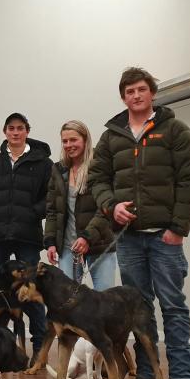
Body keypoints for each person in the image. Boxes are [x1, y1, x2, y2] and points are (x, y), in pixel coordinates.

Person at [88, 66, 190, 379]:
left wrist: (178, 229)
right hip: (129, 238)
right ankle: (148, 378)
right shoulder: (112, 137)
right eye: (129, 92)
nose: (135, 96)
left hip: (165, 238)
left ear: (151, 92)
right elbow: (98, 180)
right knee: (138, 311)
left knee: (173, 307)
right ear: (123, 97)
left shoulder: (175, 130)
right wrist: (111, 207)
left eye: (141, 90)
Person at [0, 112, 52, 358]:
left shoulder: (43, 164)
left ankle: (39, 348)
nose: (15, 133)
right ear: (4, 132)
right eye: (11, 128)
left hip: (28, 236)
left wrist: (32, 212)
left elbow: (50, 197)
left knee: (32, 293)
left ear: (27, 131)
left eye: (20, 128)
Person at [44, 120, 116, 290]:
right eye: (65, 141)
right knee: (68, 302)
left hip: (99, 244)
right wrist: (50, 241)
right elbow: (52, 210)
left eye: (73, 140)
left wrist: (87, 237)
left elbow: (105, 208)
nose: (69, 145)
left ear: (85, 139)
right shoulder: (58, 169)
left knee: (104, 299)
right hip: (68, 247)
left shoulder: (101, 165)